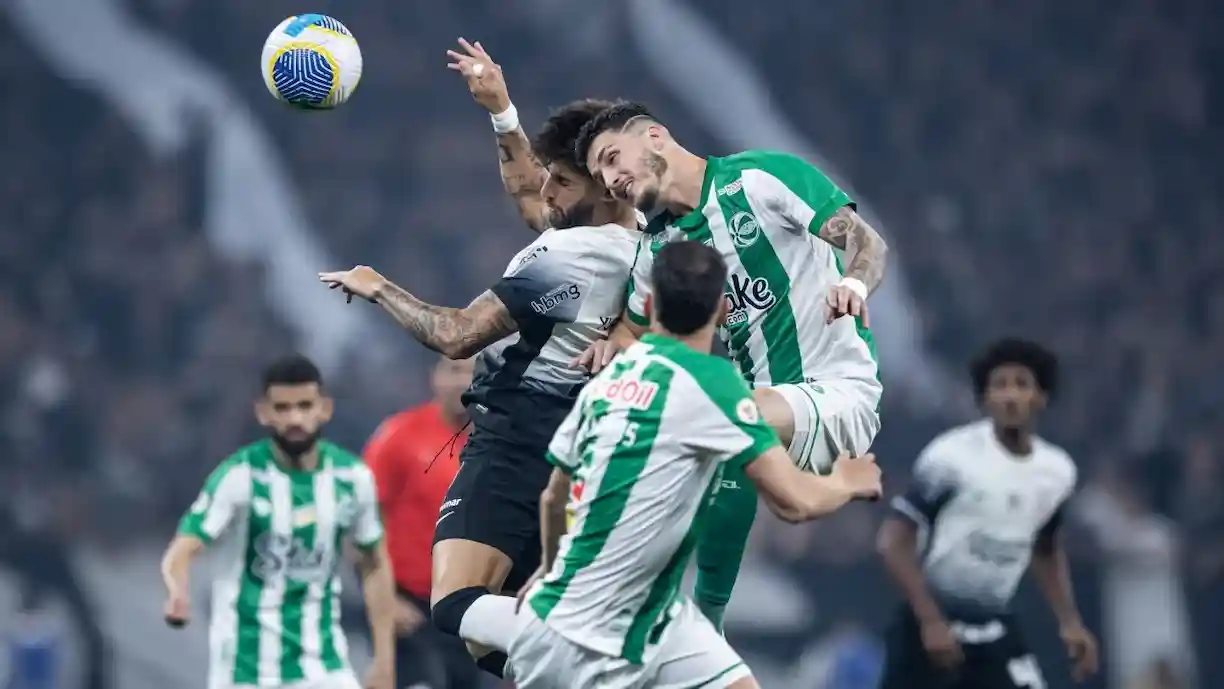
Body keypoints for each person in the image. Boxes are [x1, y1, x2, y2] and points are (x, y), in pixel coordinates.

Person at [317, 67, 641, 679]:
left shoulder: (572, 254)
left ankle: (601, 663)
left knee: (457, 605)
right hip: (580, 446)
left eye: (562, 179)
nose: (545, 187)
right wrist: (503, 113)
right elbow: (533, 202)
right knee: (497, 640)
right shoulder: (633, 238)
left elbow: (457, 335)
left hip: (519, 441)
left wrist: (377, 286)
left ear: (602, 186)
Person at [508, 240, 883, 689]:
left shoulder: (610, 380)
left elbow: (554, 498)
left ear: (649, 305)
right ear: (723, 311)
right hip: (593, 634)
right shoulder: (714, 384)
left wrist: (549, 570)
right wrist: (846, 480)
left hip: (616, 610)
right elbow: (795, 502)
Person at [574, 101, 889, 630]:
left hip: (838, 393)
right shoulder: (660, 249)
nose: (610, 181)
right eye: (600, 176)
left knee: (725, 415)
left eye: (611, 158)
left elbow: (867, 242)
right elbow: (632, 329)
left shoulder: (759, 179)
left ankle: (688, 608)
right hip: (757, 419)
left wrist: (853, 283)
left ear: (655, 137)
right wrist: (611, 347)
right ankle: (691, 622)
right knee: (697, 437)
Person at [159, 355, 396, 689]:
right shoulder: (239, 477)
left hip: (324, 668)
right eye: (282, 408)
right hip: (246, 672)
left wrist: (384, 660)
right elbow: (182, 549)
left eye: (304, 406)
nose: (295, 418)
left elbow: (374, 563)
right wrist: (177, 591)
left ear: (325, 409)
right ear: (263, 412)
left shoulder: (352, 478)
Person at [875, 338, 1099, 689]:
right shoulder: (950, 458)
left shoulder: (1056, 472)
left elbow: (1045, 548)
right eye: (1000, 385)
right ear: (984, 398)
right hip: (928, 630)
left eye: (1021, 384)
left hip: (994, 628)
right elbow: (893, 542)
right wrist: (930, 620)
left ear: (1041, 397)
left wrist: (1069, 621)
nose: (1010, 396)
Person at [362, 355, 480, 689]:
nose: (463, 382)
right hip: (410, 608)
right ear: (435, 376)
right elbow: (361, 522)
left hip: (470, 608)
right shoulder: (400, 435)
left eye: (473, 372)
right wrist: (386, 600)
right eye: (454, 371)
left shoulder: (497, 442)